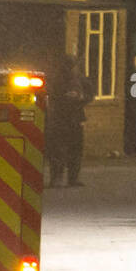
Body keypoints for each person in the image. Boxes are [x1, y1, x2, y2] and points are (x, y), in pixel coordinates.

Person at [47, 54, 91, 187]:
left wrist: (81, 98)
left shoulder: (80, 79)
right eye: (68, 64)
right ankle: (57, 178)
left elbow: (90, 94)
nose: (70, 68)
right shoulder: (57, 79)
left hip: (75, 118)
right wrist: (64, 97)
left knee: (75, 150)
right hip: (61, 118)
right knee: (58, 150)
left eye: (71, 65)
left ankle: (72, 178)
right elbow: (51, 95)